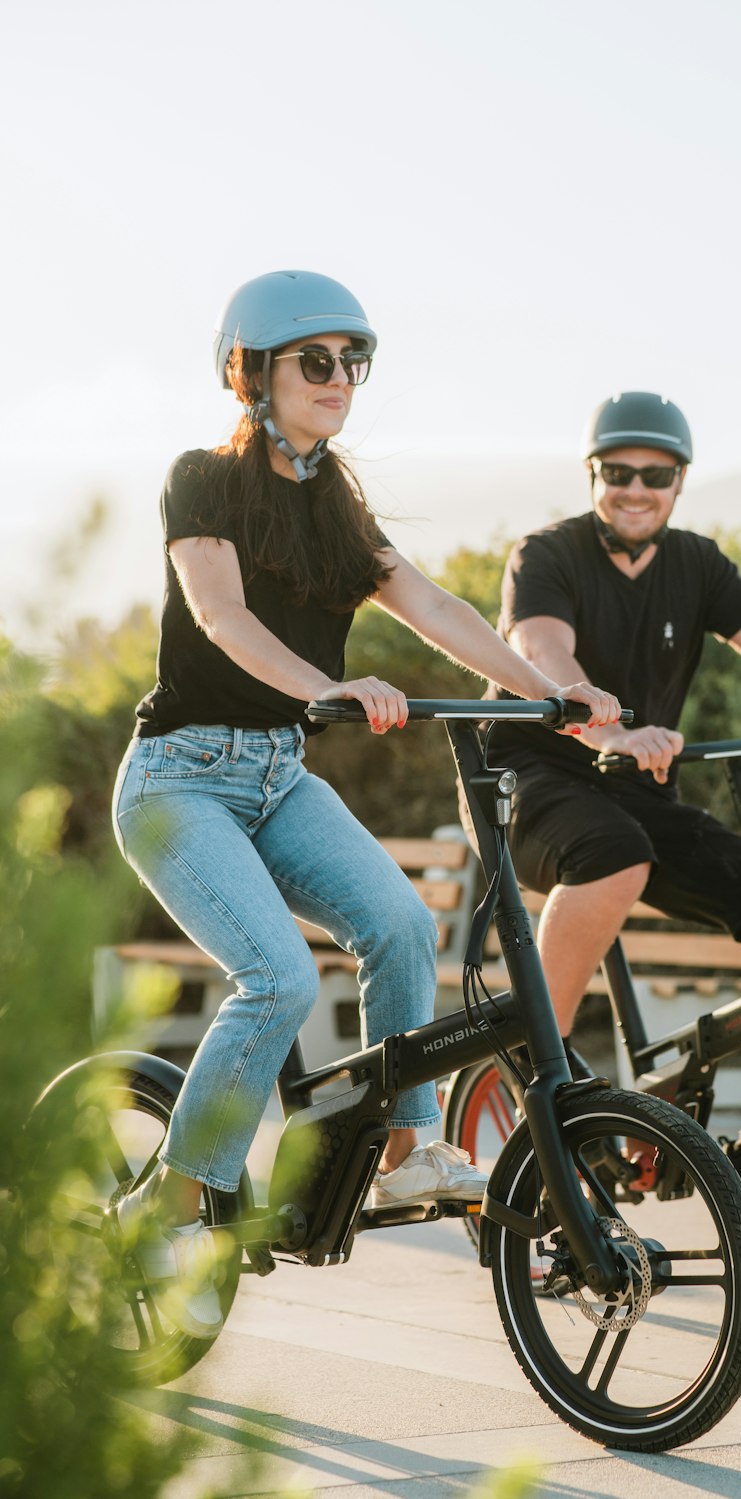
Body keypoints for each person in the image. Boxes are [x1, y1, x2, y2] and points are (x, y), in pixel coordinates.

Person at [111, 270, 620, 1337]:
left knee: (398, 924)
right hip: (180, 779)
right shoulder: (201, 479)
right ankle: (169, 1191)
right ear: (247, 372)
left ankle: (404, 1149)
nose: (340, 378)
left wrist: (550, 695)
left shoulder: (336, 501)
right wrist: (327, 686)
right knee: (279, 975)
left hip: (276, 775)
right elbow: (219, 615)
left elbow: (431, 604)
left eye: (354, 360)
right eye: (315, 359)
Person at [482, 390, 741, 1200]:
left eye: (655, 475)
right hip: (530, 775)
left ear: (680, 480)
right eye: (619, 472)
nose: (636, 489)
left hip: (633, 781)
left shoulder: (696, 562)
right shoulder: (546, 554)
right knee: (613, 853)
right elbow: (540, 648)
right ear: (594, 473)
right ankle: (547, 1072)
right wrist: (608, 729)